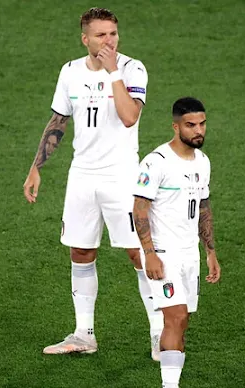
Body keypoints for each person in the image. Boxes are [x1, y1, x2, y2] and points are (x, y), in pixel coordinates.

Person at [22, 7, 164, 359]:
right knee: (81, 251)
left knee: (139, 252)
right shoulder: (70, 72)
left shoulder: (132, 68)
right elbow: (58, 120)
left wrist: (113, 71)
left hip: (121, 177)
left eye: (113, 34)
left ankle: (160, 334)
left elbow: (130, 117)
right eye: (100, 35)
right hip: (82, 176)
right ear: (85, 38)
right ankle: (84, 335)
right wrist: (36, 166)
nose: (109, 41)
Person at [132, 97, 221, 387]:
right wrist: (150, 255)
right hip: (163, 252)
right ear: (175, 126)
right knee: (175, 316)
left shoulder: (203, 162)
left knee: (183, 321)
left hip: (189, 253)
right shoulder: (156, 162)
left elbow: (203, 207)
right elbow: (139, 209)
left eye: (202, 124)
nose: (199, 131)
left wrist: (210, 251)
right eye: (191, 125)